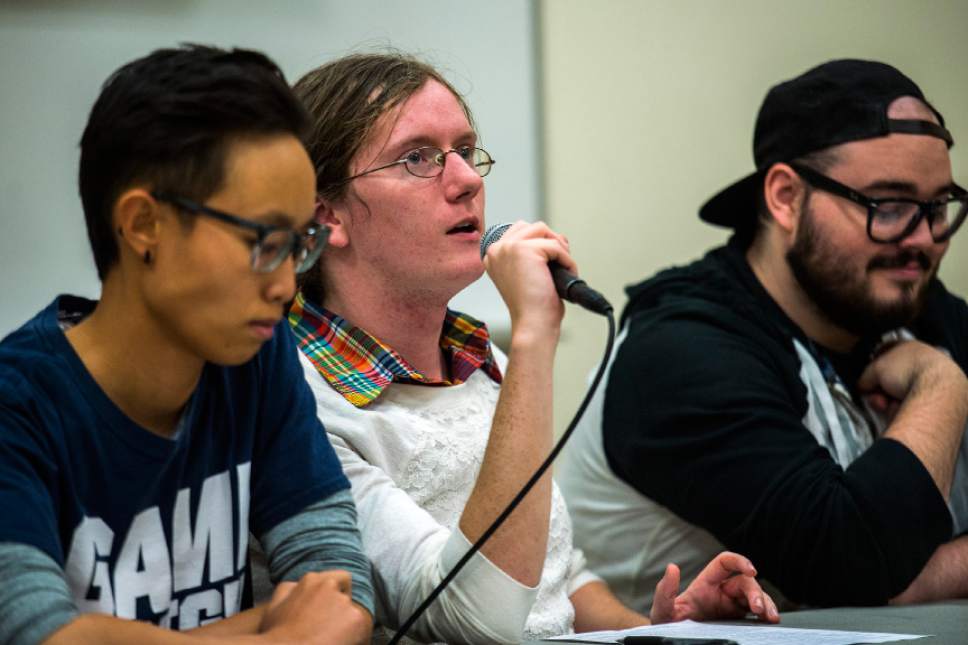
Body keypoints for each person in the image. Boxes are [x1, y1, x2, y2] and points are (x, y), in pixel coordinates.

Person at [287, 52, 779, 644]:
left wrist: (657, 632)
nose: (467, 179)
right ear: (328, 215)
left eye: (466, 152)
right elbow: (476, 622)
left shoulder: (479, 361)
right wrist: (533, 335)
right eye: (419, 158)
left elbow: (559, 577)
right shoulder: (296, 397)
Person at [558, 59, 968, 612]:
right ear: (785, 198)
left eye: (938, 206)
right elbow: (854, 568)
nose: (923, 239)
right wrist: (941, 385)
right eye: (887, 206)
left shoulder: (917, 308)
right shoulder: (682, 351)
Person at [0, 45, 374, 644]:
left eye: (299, 243)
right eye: (264, 240)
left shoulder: (257, 356)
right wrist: (276, 637)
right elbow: (38, 635)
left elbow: (338, 590)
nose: (285, 286)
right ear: (144, 225)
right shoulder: (17, 404)